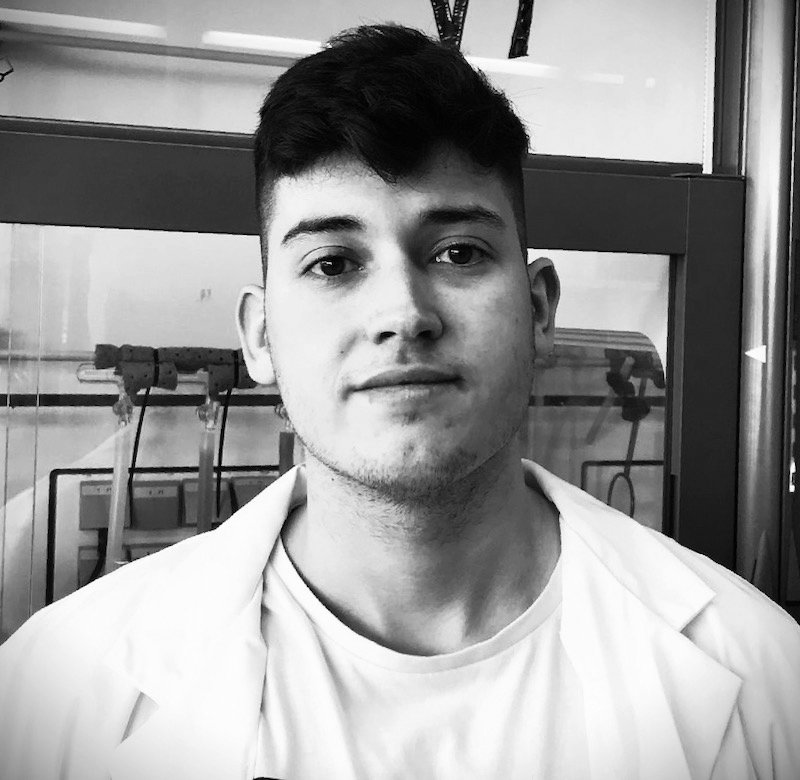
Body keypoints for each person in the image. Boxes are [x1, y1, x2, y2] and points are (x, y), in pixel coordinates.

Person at [1, 23, 799, 780]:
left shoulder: (766, 677)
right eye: (333, 263)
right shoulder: (57, 692)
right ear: (261, 336)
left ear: (538, 308)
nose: (404, 314)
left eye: (458, 252)